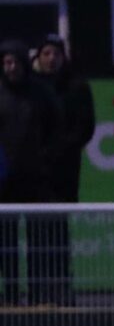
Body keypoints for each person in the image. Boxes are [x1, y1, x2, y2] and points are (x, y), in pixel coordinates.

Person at [33, 34, 96, 306]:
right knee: (36, 233)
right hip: (35, 173)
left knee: (59, 232)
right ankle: (38, 291)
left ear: (63, 57)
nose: (51, 58)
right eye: (46, 53)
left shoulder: (77, 87)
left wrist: (60, 149)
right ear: (39, 57)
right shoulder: (31, 87)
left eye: (56, 53)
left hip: (64, 173)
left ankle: (61, 290)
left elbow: (85, 128)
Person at [0, 39, 59, 306]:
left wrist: (44, 159)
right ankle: (11, 295)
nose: (10, 67)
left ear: (24, 63)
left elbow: (56, 127)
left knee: (37, 240)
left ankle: (37, 295)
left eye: (14, 62)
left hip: (35, 177)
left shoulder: (40, 93)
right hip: (4, 180)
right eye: (5, 62)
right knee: (6, 243)